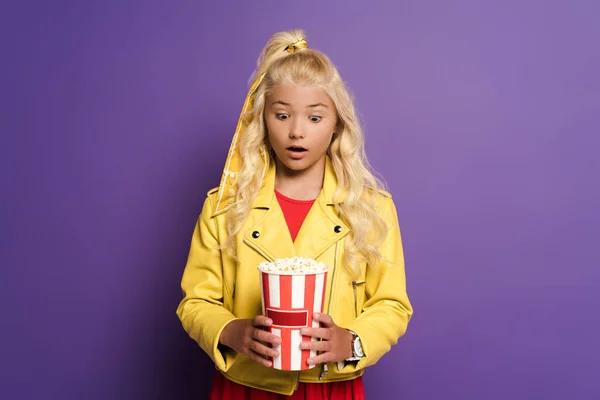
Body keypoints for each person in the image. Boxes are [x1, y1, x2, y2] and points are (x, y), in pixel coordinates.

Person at [176, 29, 413, 399]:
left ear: (337, 124)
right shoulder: (224, 206)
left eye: (315, 118)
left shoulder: (371, 208)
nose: (297, 132)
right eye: (282, 115)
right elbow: (196, 301)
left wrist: (351, 341)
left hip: (332, 387)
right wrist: (230, 331)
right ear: (262, 119)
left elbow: (392, 304)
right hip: (246, 386)